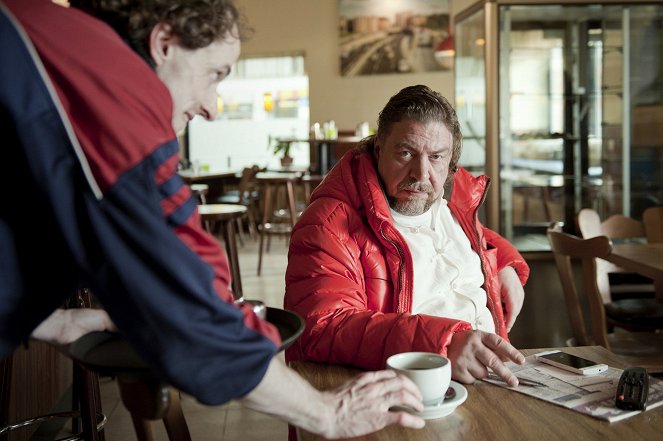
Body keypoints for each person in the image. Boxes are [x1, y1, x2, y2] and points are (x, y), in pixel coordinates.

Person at [0, 0, 427, 437]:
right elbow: (189, 302)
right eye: (215, 75)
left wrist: (51, 322)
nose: (212, 108)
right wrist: (326, 413)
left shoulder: (51, 39)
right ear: (164, 43)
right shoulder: (110, 86)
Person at [284, 85, 531, 387]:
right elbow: (322, 327)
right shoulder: (327, 223)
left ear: (451, 163)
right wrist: (443, 344)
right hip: (403, 394)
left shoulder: (448, 203)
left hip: (495, 380)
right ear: (378, 150)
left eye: (436, 157)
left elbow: (480, 235)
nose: (421, 173)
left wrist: (504, 264)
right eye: (405, 153)